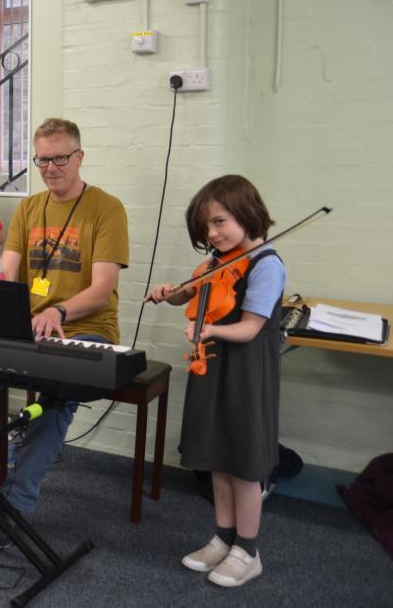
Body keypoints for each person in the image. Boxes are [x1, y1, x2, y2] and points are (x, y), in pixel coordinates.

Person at [0, 118, 129, 549]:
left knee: (56, 399)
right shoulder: (29, 207)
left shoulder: (106, 207)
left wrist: (58, 309)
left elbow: (102, 289)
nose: (51, 167)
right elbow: (7, 272)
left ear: (79, 157)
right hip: (27, 325)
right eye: (43, 160)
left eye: (60, 158)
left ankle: (15, 506)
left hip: (87, 329)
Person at [147, 174, 285, 588]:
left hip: (245, 374)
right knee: (218, 462)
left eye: (220, 222)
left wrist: (210, 331)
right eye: (206, 226)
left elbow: (248, 329)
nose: (212, 233)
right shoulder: (214, 265)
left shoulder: (266, 266)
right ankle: (223, 538)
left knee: (243, 466)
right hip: (211, 369)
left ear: (248, 213)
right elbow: (189, 295)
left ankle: (248, 549)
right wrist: (168, 293)